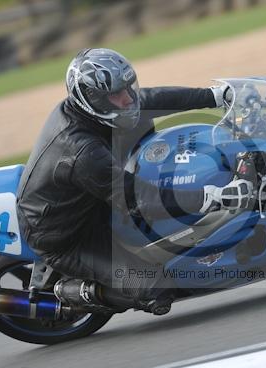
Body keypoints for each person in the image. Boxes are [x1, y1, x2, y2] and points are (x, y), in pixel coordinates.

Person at [16, 48, 253, 314]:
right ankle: (70, 292)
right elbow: (138, 199)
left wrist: (215, 97)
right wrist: (211, 197)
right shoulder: (81, 151)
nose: (128, 98)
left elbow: (152, 98)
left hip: (93, 199)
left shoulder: (96, 110)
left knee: (143, 121)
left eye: (128, 88)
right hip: (68, 236)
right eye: (118, 94)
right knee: (156, 289)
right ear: (94, 98)